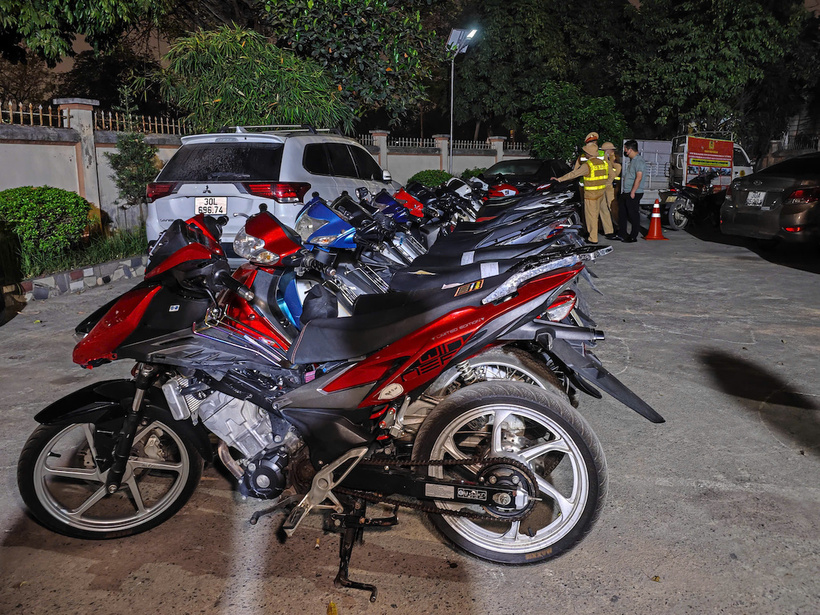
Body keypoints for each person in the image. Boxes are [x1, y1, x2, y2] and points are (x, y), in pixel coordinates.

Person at [552, 139, 612, 244]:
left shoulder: (588, 165)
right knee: (604, 212)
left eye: (586, 152)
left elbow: (574, 174)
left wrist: (559, 179)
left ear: (589, 154)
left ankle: (593, 238)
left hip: (591, 195)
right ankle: (609, 231)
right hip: (601, 192)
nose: (585, 154)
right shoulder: (602, 163)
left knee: (591, 217)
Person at [617, 139, 646, 243]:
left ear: (630, 150)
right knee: (622, 213)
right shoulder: (632, 161)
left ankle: (633, 236)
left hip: (634, 192)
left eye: (625, 149)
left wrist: (633, 191)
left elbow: (639, 177)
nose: (624, 151)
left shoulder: (639, 161)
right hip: (627, 191)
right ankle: (622, 233)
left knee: (633, 215)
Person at [601, 142, 620, 239]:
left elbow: (615, 173)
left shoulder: (614, 159)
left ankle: (618, 227)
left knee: (611, 208)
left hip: (610, 187)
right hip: (604, 186)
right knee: (604, 208)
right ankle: (609, 231)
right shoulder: (605, 159)